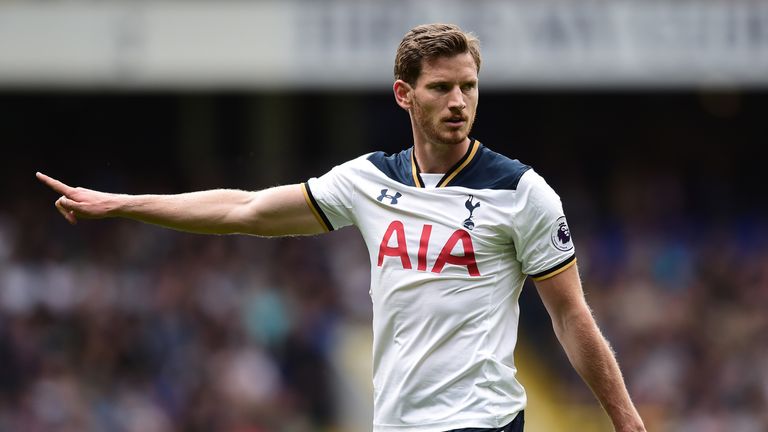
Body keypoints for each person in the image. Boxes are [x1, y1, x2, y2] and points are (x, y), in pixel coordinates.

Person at [38, 23, 645, 432]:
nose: (459, 101)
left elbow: (571, 317)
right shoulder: (367, 181)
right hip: (397, 422)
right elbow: (244, 209)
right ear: (405, 95)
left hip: (483, 420)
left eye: (469, 86)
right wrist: (124, 204)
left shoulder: (520, 192)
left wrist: (626, 420)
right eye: (441, 88)